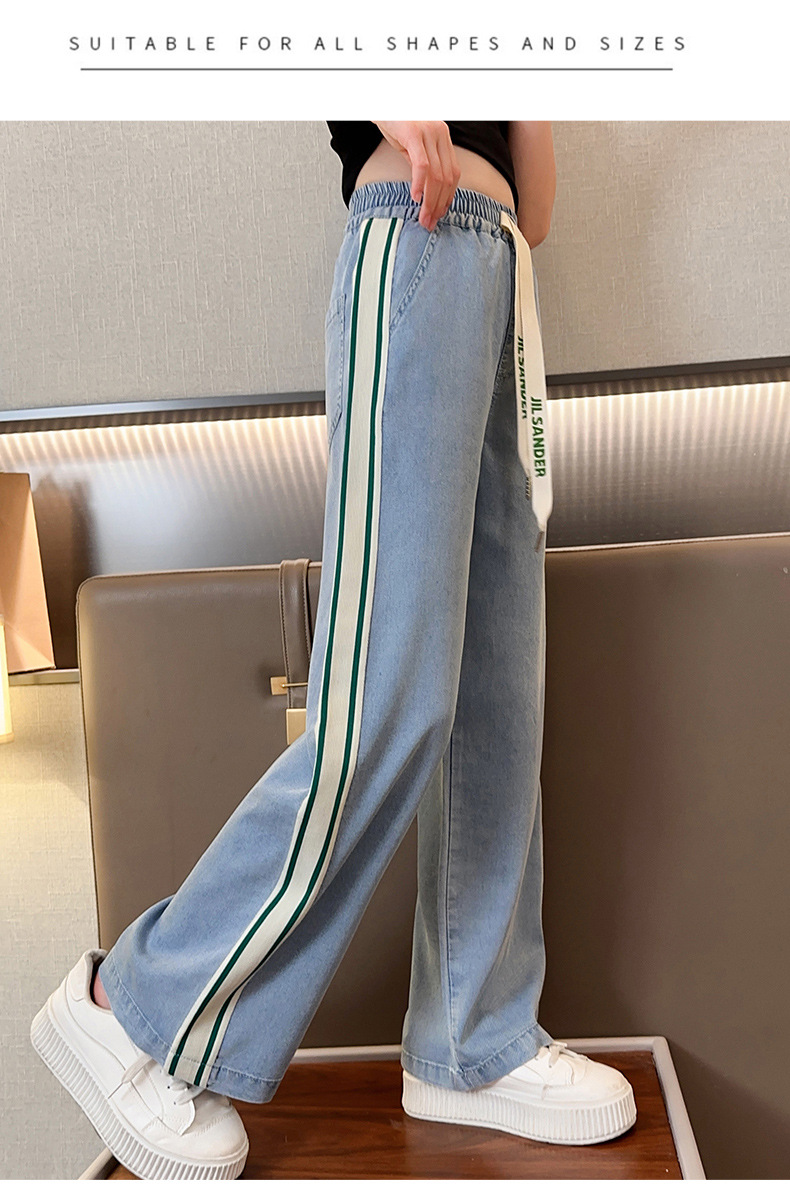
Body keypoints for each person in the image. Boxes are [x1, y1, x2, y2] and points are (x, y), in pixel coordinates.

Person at [30, 121, 636, 1181]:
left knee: (495, 699)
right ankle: (136, 1004)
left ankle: (472, 1039)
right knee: (385, 699)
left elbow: (536, 210)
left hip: (501, 272)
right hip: (417, 238)